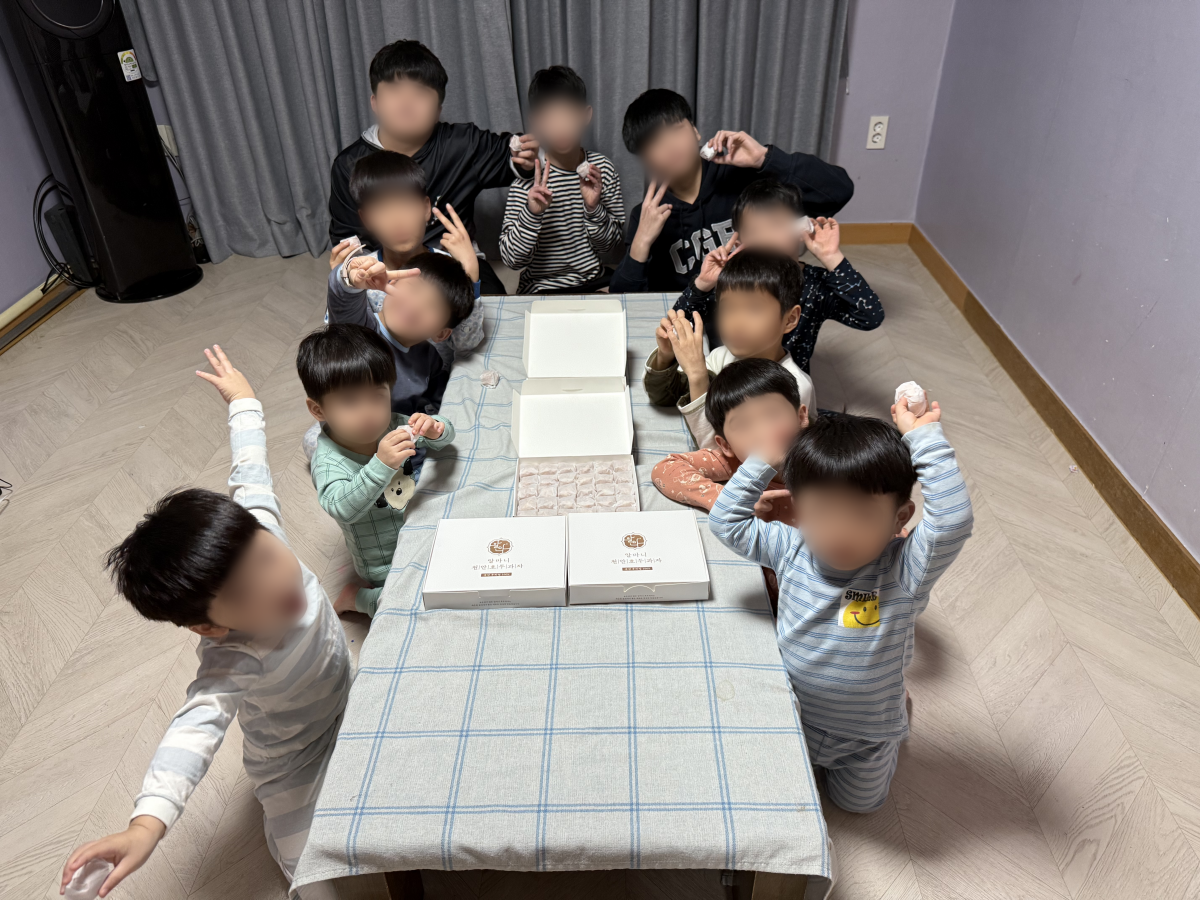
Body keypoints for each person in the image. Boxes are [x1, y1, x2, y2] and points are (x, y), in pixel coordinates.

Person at [60, 346, 352, 899]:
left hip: (350, 695)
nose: (277, 584)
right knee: (315, 877)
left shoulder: (259, 528)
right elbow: (191, 733)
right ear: (208, 626)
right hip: (294, 762)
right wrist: (146, 825)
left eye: (266, 557)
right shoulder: (232, 659)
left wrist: (243, 401)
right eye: (242, 594)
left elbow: (250, 469)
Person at [708, 397, 973, 813]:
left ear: (900, 517)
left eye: (862, 515)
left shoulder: (904, 570)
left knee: (858, 806)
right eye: (821, 513)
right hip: (793, 713)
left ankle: (898, 713)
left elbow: (952, 521)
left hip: (863, 736)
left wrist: (923, 438)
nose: (839, 533)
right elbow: (726, 522)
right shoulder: (790, 547)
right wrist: (761, 462)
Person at [327, 39, 537, 295]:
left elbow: (513, 158)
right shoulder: (349, 165)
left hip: (456, 260)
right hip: (386, 267)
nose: (406, 104)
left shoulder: (462, 144)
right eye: (394, 90)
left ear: (438, 109)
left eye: (420, 93)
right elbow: (348, 238)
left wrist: (525, 157)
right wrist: (363, 274)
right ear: (375, 102)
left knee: (492, 306)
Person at [609, 88, 853, 294]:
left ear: (695, 131)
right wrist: (641, 242)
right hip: (691, 320)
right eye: (655, 142)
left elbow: (839, 191)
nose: (671, 146)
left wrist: (764, 159)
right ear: (645, 159)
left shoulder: (745, 178)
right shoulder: (647, 215)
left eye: (676, 128)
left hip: (758, 307)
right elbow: (625, 299)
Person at [300, 324, 455, 618]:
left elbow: (445, 438)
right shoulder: (328, 461)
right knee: (409, 602)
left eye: (377, 396)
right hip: (383, 560)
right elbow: (341, 508)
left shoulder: (393, 424)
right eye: (349, 401)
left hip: (419, 530)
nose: (368, 413)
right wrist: (380, 464)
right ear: (319, 410)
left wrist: (436, 428)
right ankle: (357, 598)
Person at [675, 179, 884, 370]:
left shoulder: (814, 285)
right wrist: (703, 283)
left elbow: (870, 317)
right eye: (754, 231)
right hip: (728, 380)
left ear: (801, 230)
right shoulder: (732, 280)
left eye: (776, 225)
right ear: (739, 243)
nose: (767, 238)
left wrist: (831, 256)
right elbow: (678, 324)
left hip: (787, 386)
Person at [644, 248, 815, 449]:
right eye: (728, 308)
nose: (737, 323)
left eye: (754, 309)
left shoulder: (794, 387)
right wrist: (665, 356)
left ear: (790, 319)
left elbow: (724, 455)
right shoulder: (723, 356)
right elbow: (664, 397)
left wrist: (698, 375)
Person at [328, 150, 484, 368]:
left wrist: (471, 278)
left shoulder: (449, 268)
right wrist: (343, 285)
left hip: (436, 380)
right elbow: (340, 343)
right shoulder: (362, 273)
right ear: (366, 219)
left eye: (407, 205)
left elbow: (467, 344)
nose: (397, 221)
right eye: (382, 209)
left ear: (426, 208)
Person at [498, 65, 624, 293]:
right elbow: (511, 260)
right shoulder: (528, 179)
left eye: (568, 115)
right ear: (536, 122)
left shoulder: (602, 169)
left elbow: (611, 246)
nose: (560, 126)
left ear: (585, 115)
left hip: (593, 283)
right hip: (541, 288)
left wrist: (593, 208)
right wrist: (532, 214)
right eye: (550, 118)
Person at [651, 358, 806, 522]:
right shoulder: (735, 462)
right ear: (726, 446)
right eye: (743, 424)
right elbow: (665, 468)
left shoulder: (822, 456)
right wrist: (726, 499)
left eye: (773, 414)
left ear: (801, 418)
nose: (762, 432)